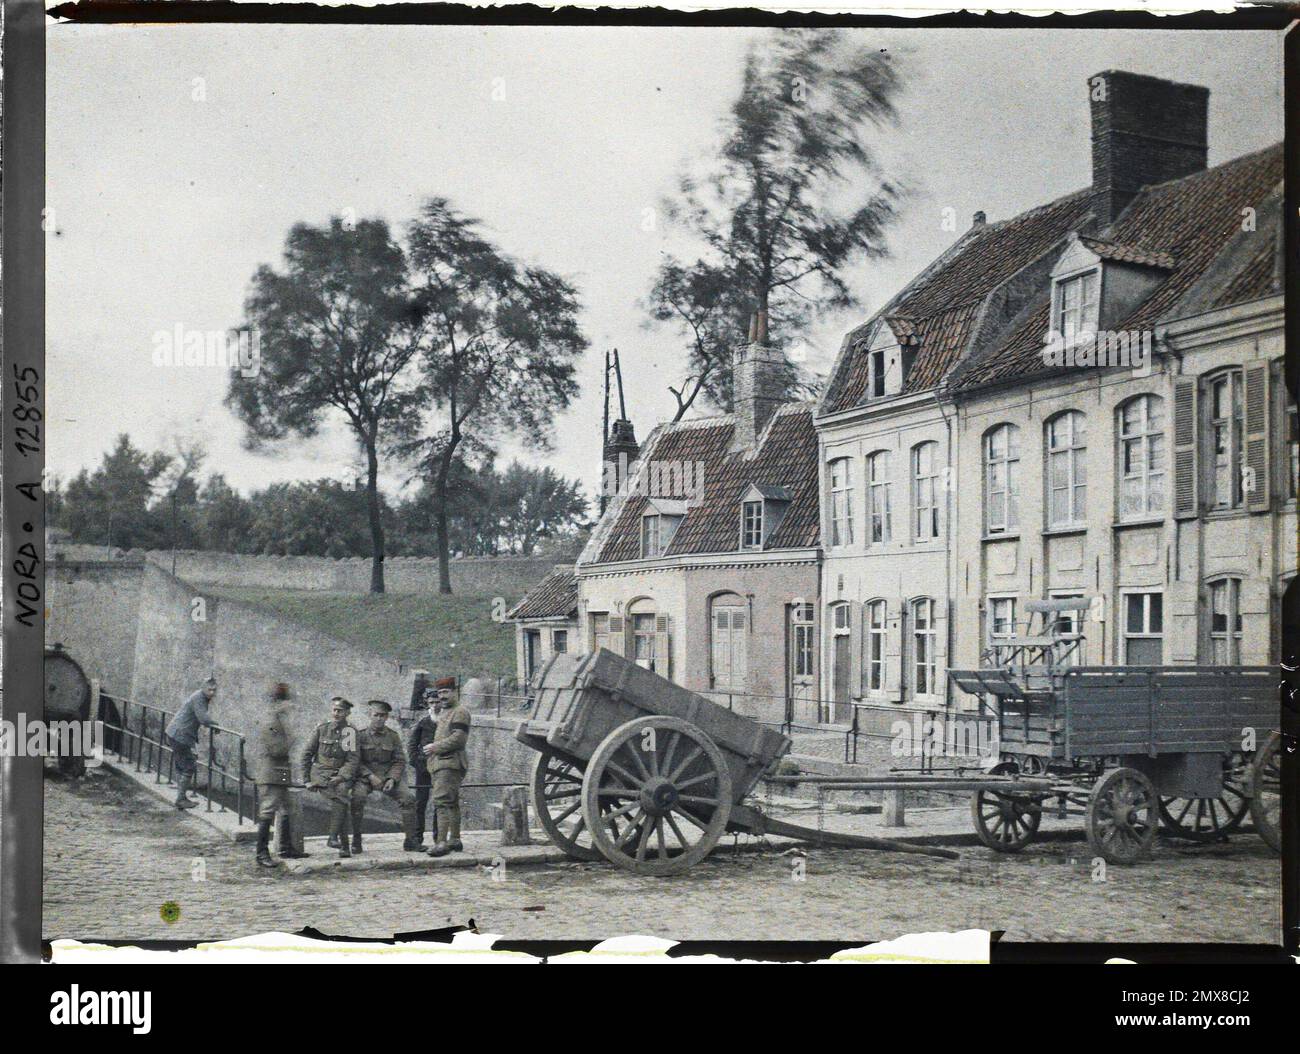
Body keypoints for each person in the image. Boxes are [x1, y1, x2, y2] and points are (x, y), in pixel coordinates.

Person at [249, 682, 307, 867]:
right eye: (285, 702)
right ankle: (262, 853)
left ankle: (286, 848)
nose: (289, 706)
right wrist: (293, 739)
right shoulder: (271, 722)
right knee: (268, 810)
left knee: (287, 807)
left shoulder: (279, 720)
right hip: (270, 773)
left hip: (280, 772)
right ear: (278, 703)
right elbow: (277, 750)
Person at [351, 700, 420, 852]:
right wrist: (369, 776)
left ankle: (410, 840)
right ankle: (356, 840)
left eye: (382, 715)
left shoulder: (393, 736)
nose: (379, 718)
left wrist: (392, 779)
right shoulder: (360, 735)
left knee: (408, 798)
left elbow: (399, 760)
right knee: (357, 798)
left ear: (387, 717)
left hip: (388, 778)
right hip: (366, 778)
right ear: (370, 715)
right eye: (376, 715)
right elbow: (355, 761)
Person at [301, 697, 359, 859]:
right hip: (320, 774)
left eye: (340, 711)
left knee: (341, 792)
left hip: (339, 775)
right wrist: (306, 780)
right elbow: (307, 755)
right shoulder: (322, 729)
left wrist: (341, 776)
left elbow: (352, 759)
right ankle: (338, 842)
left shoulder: (349, 732)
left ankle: (335, 840)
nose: (336, 713)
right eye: (334, 710)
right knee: (341, 798)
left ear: (347, 713)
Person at [424, 676, 471, 857]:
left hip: (450, 762)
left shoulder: (460, 712)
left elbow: (459, 738)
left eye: (446, 692)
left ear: (455, 692)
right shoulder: (446, 712)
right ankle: (455, 840)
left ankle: (441, 842)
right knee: (451, 802)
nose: (442, 696)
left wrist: (436, 747)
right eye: (440, 692)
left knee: (442, 801)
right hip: (442, 763)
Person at [165, 676, 218, 810]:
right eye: (209, 690)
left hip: (175, 733)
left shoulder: (201, 697)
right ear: (203, 688)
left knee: (182, 766)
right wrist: (214, 725)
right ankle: (181, 799)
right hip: (180, 735)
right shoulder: (199, 698)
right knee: (189, 766)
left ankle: (180, 796)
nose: (212, 693)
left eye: (214, 690)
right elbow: (203, 718)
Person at [406, 687, 440, 851]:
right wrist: (416, 762)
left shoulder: (446, 721)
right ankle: (417, 838)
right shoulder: (423, 722)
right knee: (420, 802)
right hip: (423, 767)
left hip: (441, 767)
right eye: (431, 703)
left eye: (437, 702)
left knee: (440, 801)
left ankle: (438, 836)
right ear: (427, 704)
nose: (434, 706)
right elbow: (412, 744)